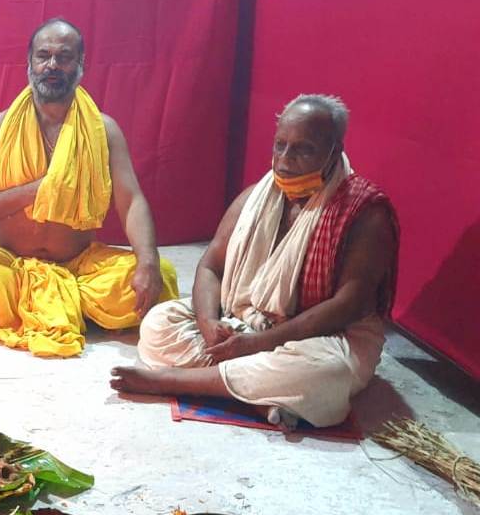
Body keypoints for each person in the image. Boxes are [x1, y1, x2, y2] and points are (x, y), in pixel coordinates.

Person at [111, 94, 399, 428]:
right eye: (280, 145)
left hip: (325, 339)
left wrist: (261, 343)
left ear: (334, 151)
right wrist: (207, 324)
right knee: (159, 323)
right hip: (246, 325)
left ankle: (170, 381)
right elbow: (209, 266)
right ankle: (254, 395)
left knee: (323, 374)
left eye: (303, 149)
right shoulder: (255, 198)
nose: (285, 160)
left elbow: (348, 305)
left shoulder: (364, 213)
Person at [0, 18, 178, 357]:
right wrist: (34, 190)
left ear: (80, 65)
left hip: (79, 264)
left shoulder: (103, 131)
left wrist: (148, 261)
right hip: (12, 262)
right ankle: (77, 313)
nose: (52, 65)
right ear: (30, 63)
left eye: (64, 57)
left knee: (163, 273)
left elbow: (131, 201)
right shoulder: (0, 128)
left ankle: (21, 310)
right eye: (44, 55)